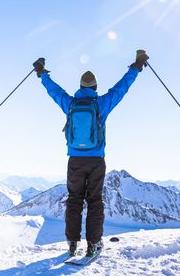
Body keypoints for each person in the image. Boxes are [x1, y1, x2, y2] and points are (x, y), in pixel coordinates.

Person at [33, 50, 149, 257]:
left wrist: (42, 73)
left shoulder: (70, 104)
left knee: (74, 200)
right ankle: (94, 244)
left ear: (80, 87)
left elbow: (54, 91)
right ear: (95, 87)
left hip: (75, 159)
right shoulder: (101, 104)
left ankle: (72, 243)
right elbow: (121, 88)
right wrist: (136, 67)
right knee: (94, 201)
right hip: (96, 160)